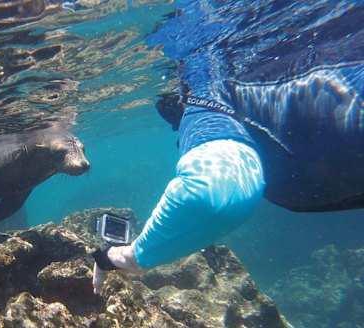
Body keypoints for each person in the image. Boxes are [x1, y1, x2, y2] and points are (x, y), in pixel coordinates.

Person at [93, 0, 364, 294]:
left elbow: (211, 194)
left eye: (173, 119)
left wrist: (122, 257)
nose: (178, 130)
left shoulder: (206, 94)